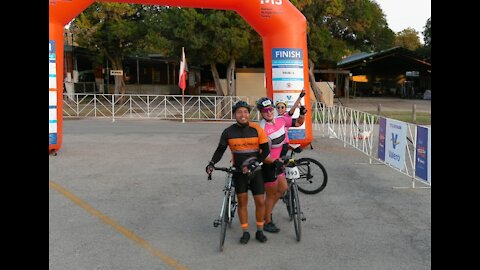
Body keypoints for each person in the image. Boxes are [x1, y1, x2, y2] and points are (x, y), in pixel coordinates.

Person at [205, 100, 280, 244]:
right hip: (239, 172)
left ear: (249, 114)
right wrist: (212, 163)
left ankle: (259, 230)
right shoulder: (228, 132)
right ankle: (245, 231)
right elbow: (220, 150)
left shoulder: (257, 129)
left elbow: (265, 150)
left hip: (256, 170)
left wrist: (256, 163)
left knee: (260, 201)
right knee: (242, 202)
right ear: (234, 114)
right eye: (239, 112)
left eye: (245, 111)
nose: (243, 114)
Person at [256, 96, 307, 233]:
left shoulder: (281, 120)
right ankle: (267, 221)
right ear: (261, 112)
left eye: (270, 109)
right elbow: (263, 155)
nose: (269, 112)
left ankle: (268, 210)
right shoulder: (262, 129)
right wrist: (275, 161)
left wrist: (302, 113)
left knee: (283, 188)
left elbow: (298, 123)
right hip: (267, 165)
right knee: (271, 194)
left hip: (278, 163)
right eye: (265, 110)